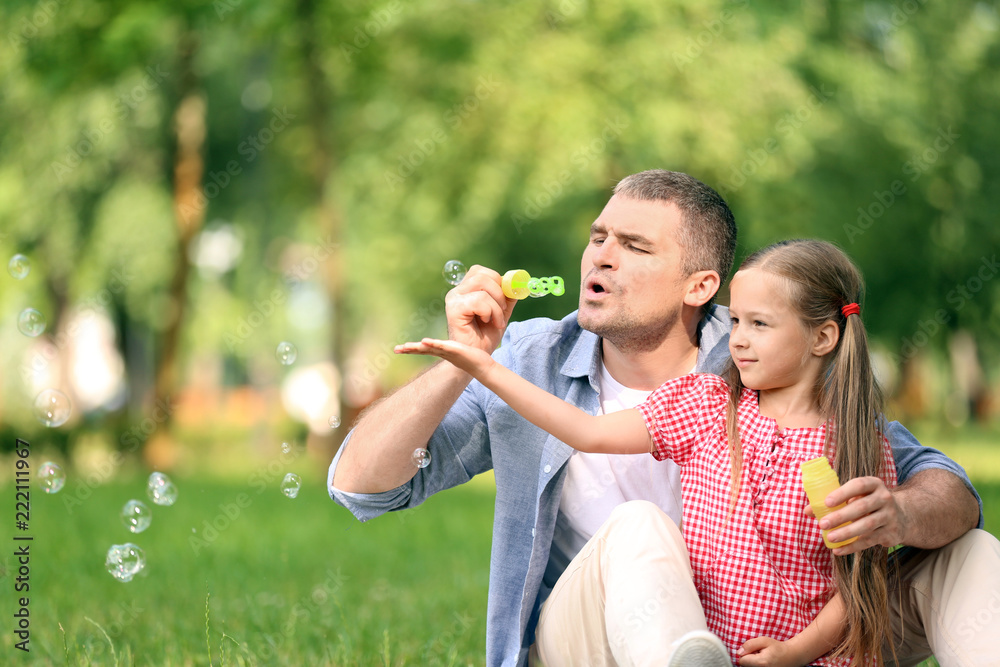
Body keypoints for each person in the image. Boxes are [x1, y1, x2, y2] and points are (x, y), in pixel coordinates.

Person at [328, 170, 992, 666]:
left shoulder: (763, 351)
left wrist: (897, 515)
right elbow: (361, 486)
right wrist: (464, 360)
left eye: (634, 245)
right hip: (596, 639)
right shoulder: (526, 358)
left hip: (781, 634)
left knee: (969, 554)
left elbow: (946, 488)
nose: (600, 256)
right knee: (638, 527)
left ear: (700, 285)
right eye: (598, 237)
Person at [397, 239, 897, 666]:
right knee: (639, 521)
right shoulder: (706, 404)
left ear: (824, 337)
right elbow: (586, 432)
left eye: (759, 325)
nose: (739, 340)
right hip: (695, 644)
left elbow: (856, 582)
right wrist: (486, 368)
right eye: (737, 321)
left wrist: (794, 654)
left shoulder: (854, 447)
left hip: (804, 657)